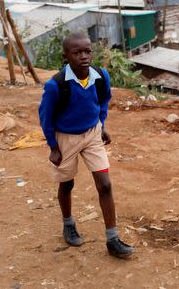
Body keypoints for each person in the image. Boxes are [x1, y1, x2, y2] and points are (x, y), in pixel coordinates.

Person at [38, 32, 134, 259]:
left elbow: (103, 101)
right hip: (66, 138)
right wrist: (53, 146)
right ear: (66, 56)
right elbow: (45, 117)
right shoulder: (55, 85)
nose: (84, 56)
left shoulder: (101, 76)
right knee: (67, 184)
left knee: (105, 184)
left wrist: (101, 125)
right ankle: (68, 223)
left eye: (87, 51)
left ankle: (112, 238)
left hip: (92, 135)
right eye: (77, 52)